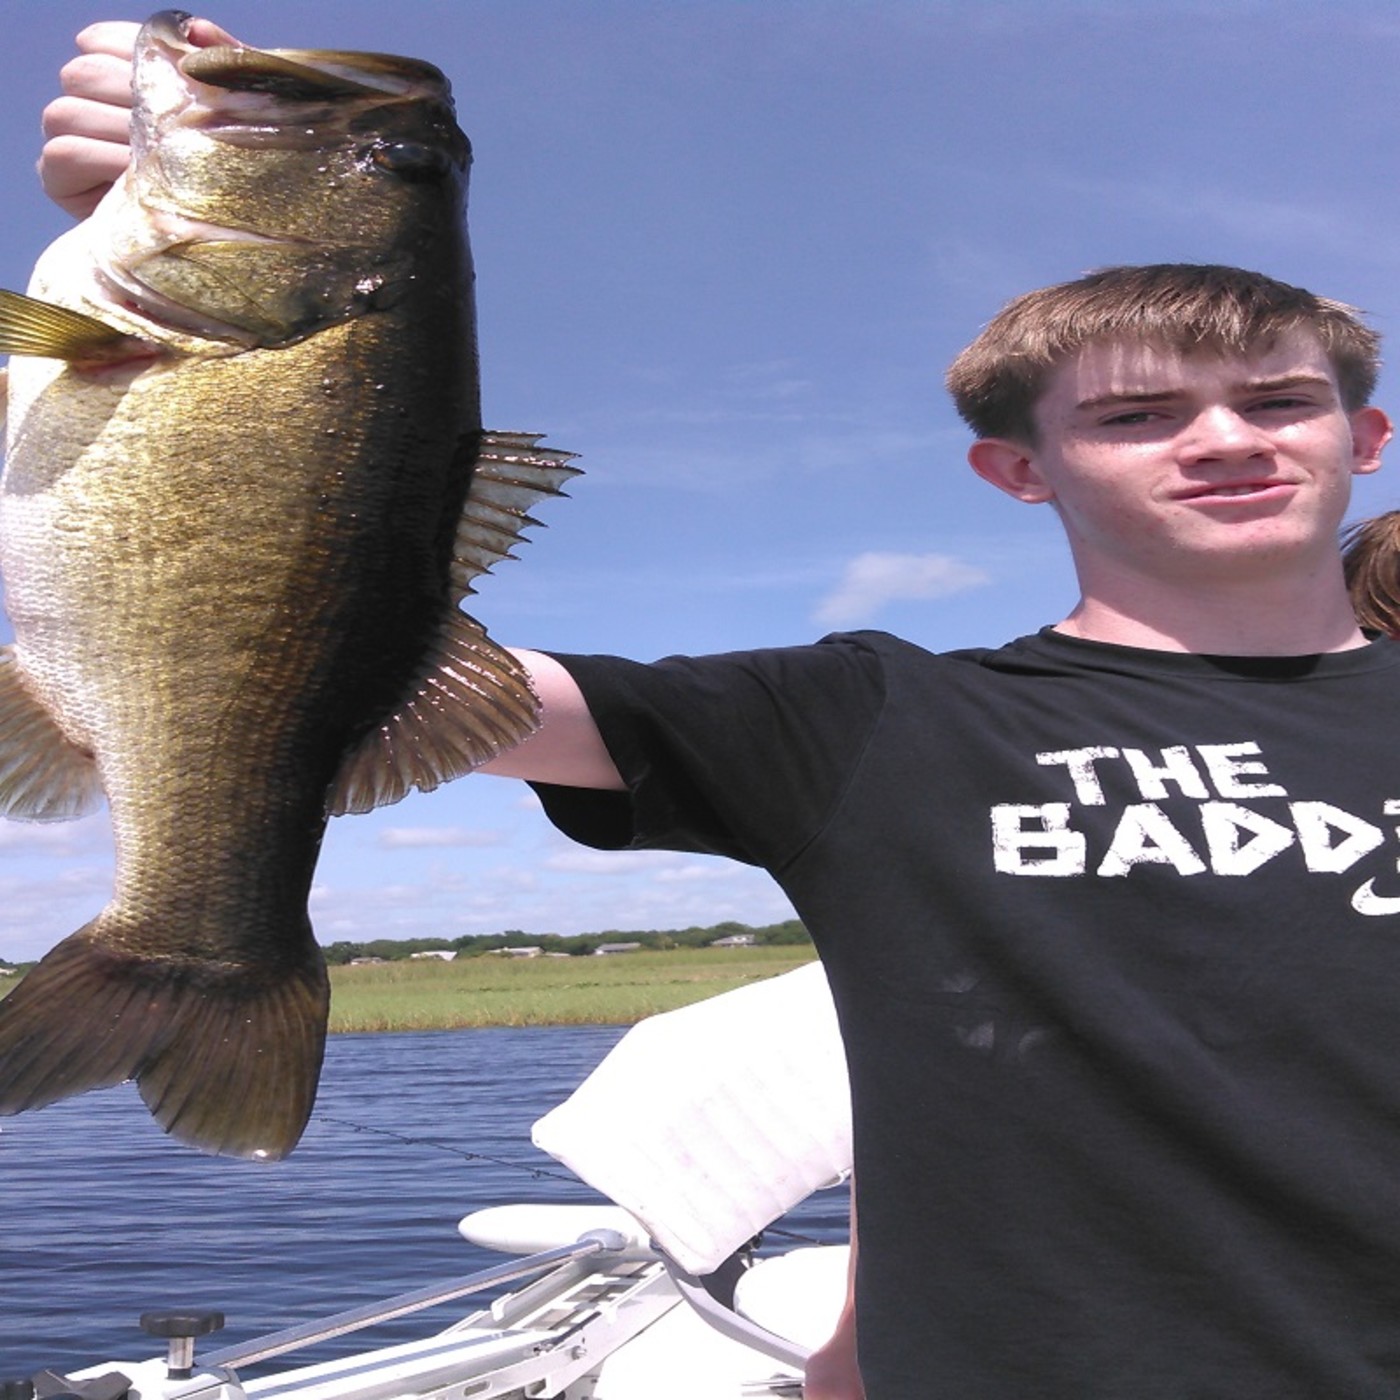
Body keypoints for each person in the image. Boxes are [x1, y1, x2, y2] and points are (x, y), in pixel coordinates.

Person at [36, 23, 1400, 1399]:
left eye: (1280, 400)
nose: (1226, 440)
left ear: (1366, 437)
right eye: (1140, 416)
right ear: (1016, 471)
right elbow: (427, 684)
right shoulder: (865, 718)